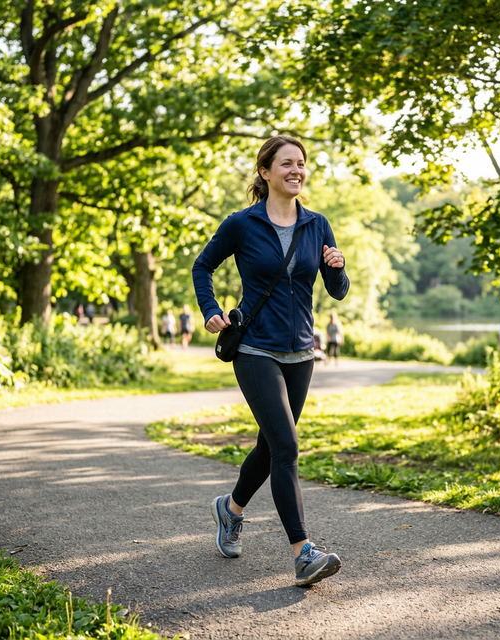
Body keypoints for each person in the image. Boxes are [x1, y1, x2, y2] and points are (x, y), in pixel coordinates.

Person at [192, 135, 350, 587]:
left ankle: (231, 509)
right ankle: (303, 553)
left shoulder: (317, 225)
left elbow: (336, 290)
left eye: (301, 163)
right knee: (287, 447)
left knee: (270, 446)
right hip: (255, 348)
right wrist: (210, 310)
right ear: (265, 172)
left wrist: (337, 267)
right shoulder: (242, 224)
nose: (296, 170)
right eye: (286, 163)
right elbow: (202, 267)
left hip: (301, 351)